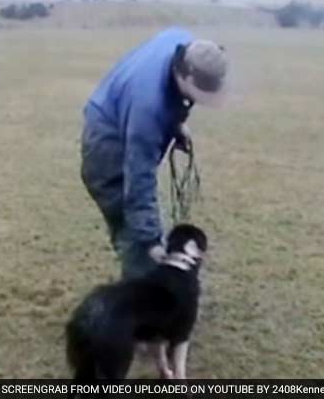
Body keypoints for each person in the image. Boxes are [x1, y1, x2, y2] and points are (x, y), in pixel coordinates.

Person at [80, 27, 228, 280]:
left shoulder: (181, 40)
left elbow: (174, 96)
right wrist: (150, 241)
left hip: (118, 110)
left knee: (142, 226)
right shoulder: (147, 109)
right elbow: (139, 179)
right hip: (106, 145)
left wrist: (176, 123)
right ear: (185, 74)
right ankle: (139, 302)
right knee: (134, 235)